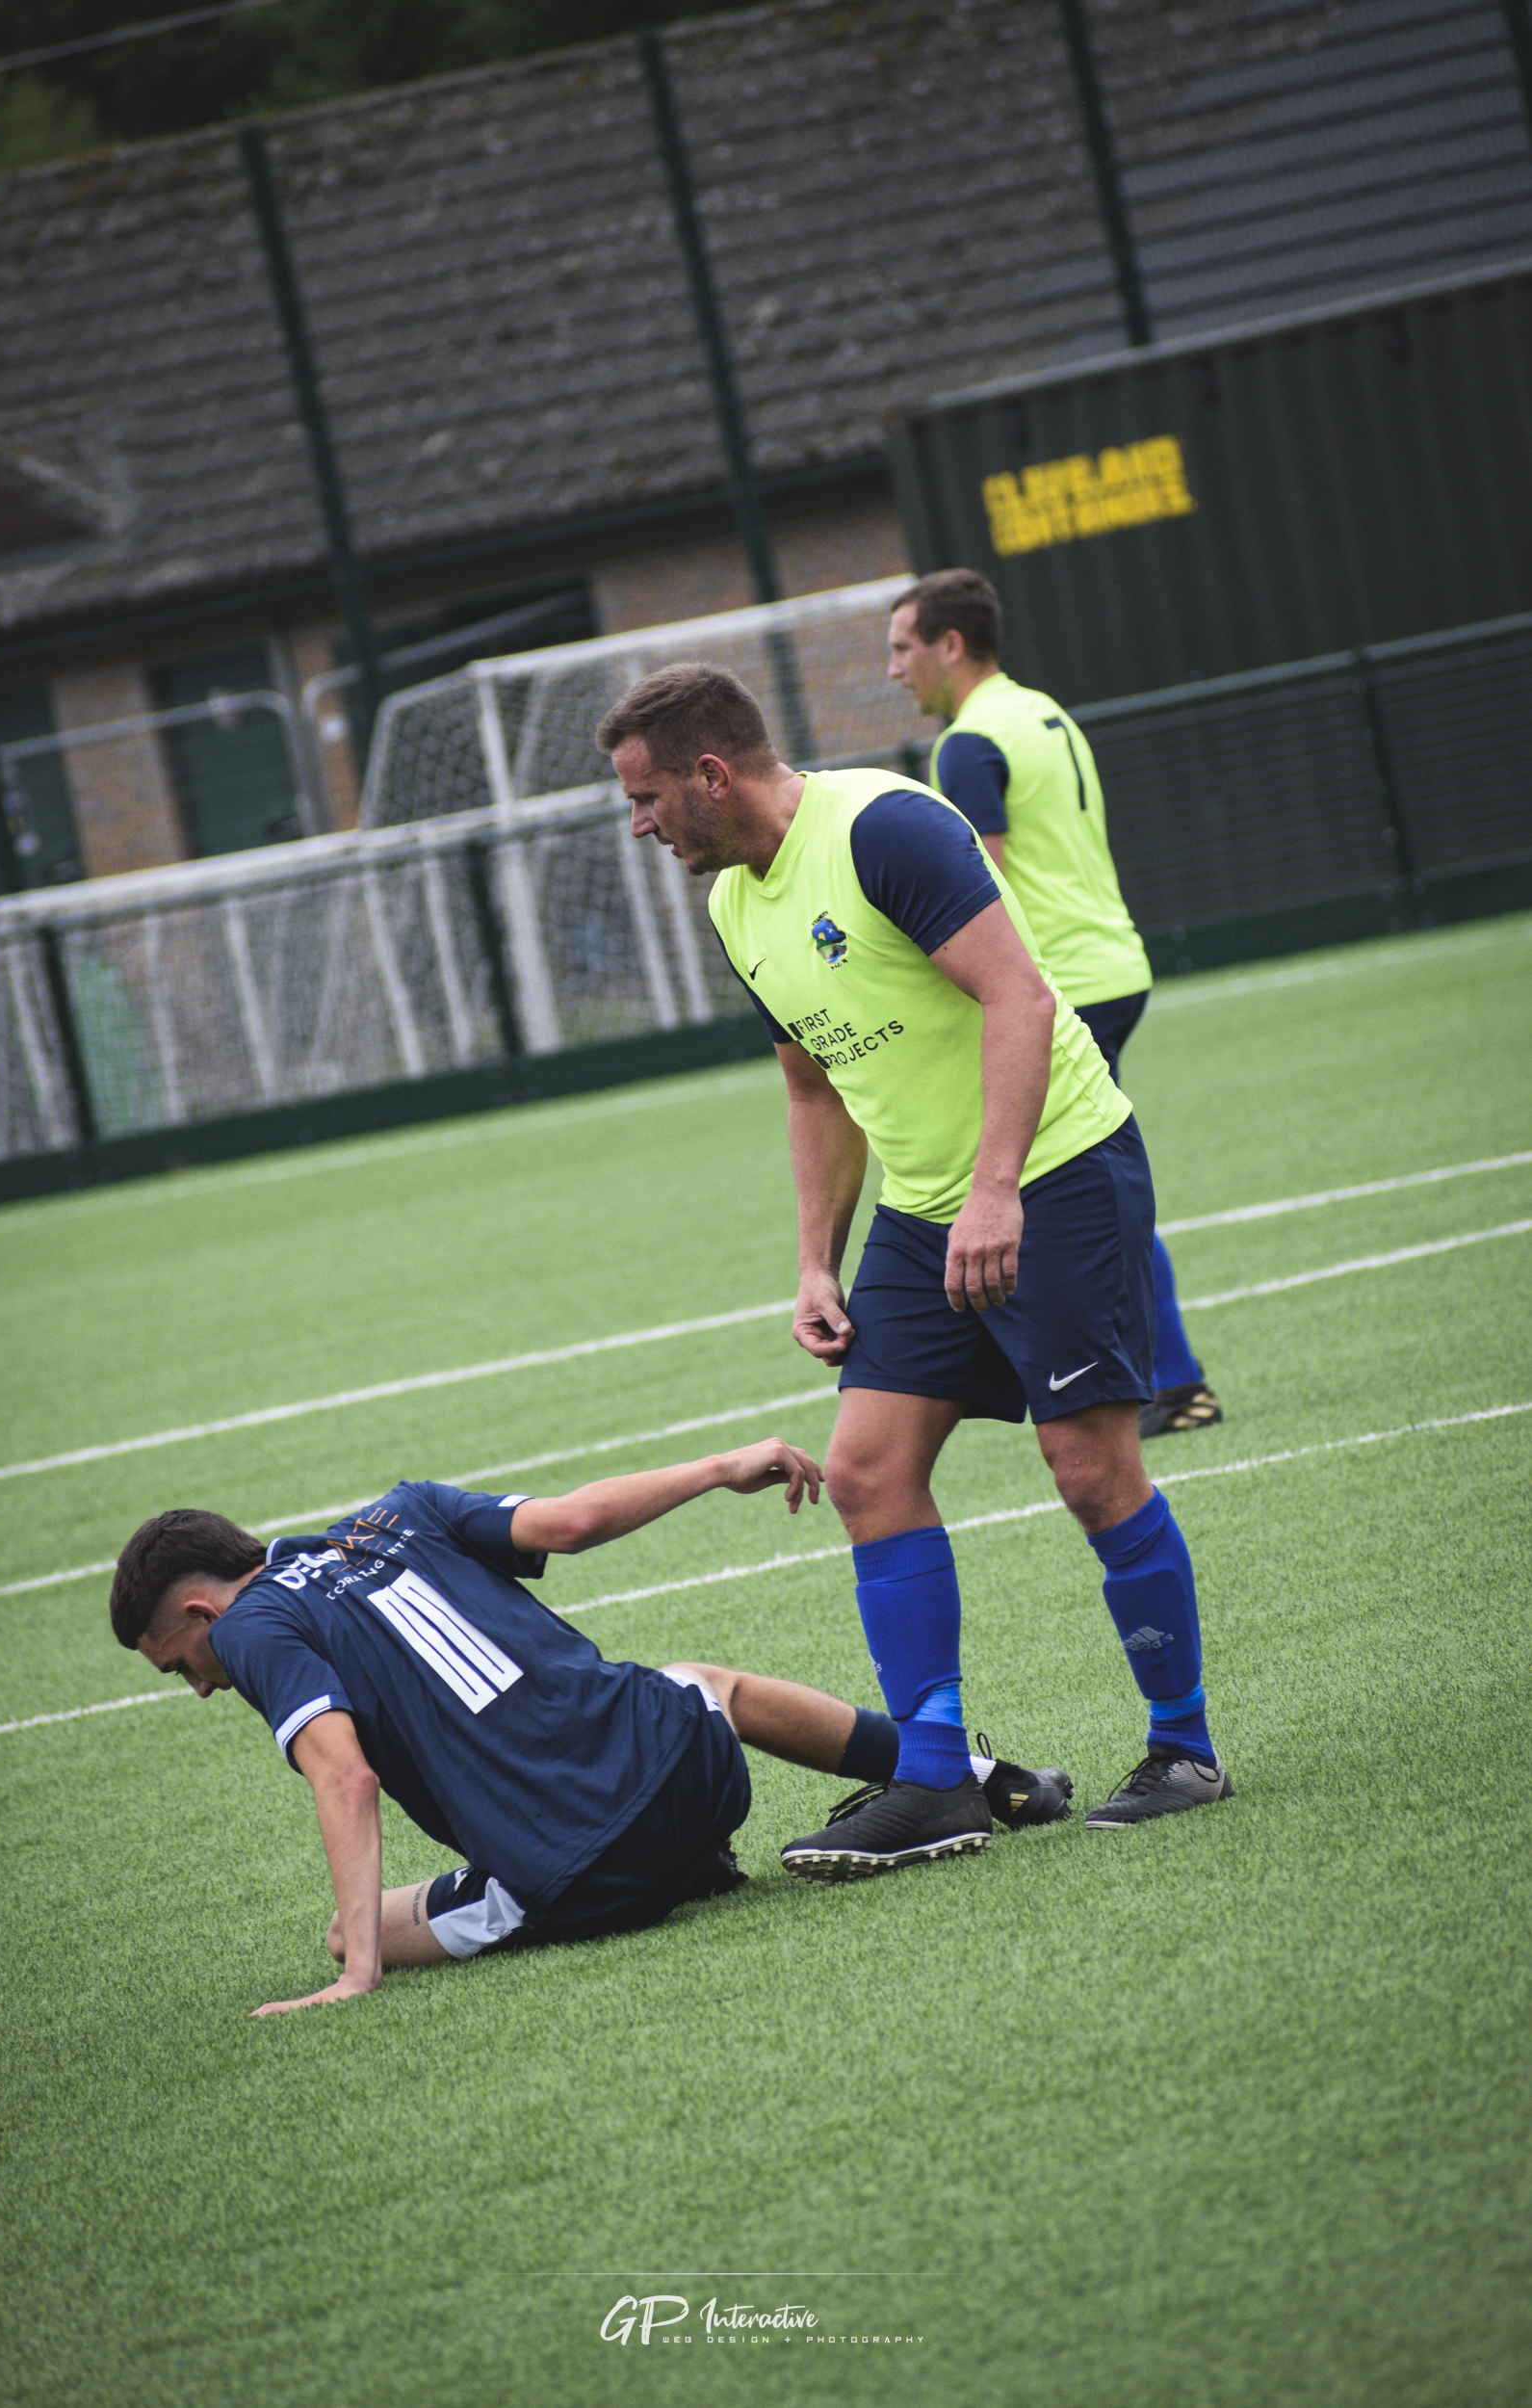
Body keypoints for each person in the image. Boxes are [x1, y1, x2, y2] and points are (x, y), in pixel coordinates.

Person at [598, 665, 1233, 1872]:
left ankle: (1182, 1747)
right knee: (866, 1472)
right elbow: (809, 1081)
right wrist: (810, 1262)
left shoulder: (884, 827)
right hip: (919, 1209)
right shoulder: (735, 900)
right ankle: (936, 1780)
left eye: (644, 797)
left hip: (1055, 1172)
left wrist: (994, 1188)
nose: (638, 824)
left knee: (1088, 1468)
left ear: (709, 774)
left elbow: (1020, 998)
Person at [110, 1436, 1074, 2012]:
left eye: (177, 1664)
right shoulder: (398, 1513)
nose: (198, 1684)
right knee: (703, 1683)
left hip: (574, 1874)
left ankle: (646, 1872)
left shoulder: (251, 1630)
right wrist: (716, 1466)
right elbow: (569, 1522)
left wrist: (359, 1971)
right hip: (688, 1774)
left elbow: (344, 1776)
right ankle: (972, 1777)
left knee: (336, 1933)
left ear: (200, 1613)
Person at [887, 567, 1221, 1440]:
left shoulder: (964, 744)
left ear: (948, 646)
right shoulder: (1041, 710)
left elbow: (979, 881)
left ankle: (1172, 1382)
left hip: (1064, 981)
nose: (894, 670)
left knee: (1078, 1180)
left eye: (901, 648)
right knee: (1083, 1177)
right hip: (1115, 958)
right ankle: (1155, 1376)